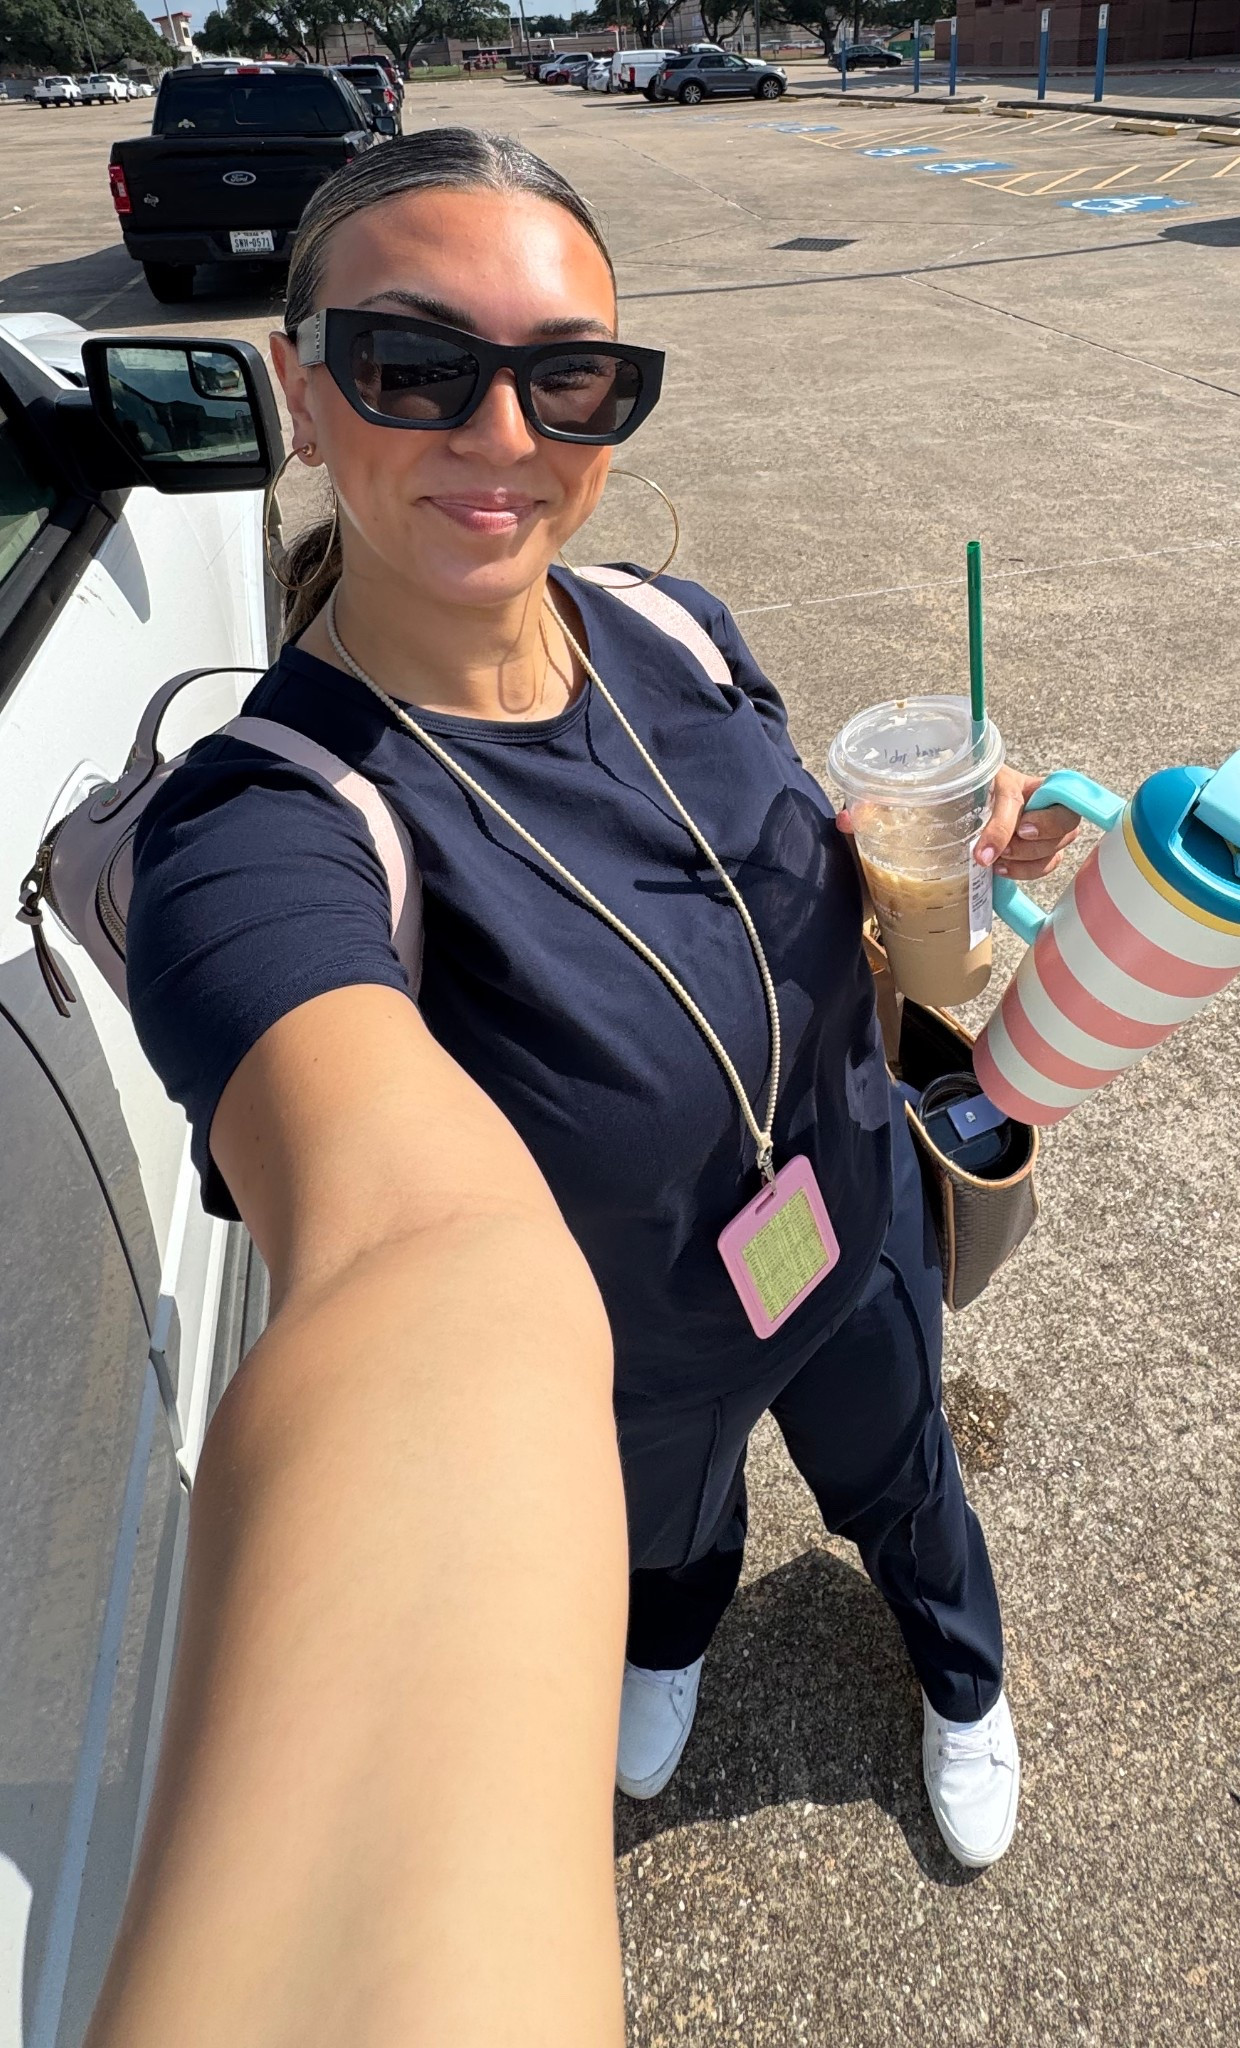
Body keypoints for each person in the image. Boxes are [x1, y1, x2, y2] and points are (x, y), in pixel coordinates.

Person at [124, 126, 1079, 1901]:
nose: (504, 438)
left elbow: (862, 951)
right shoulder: (262, 833)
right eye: (416, 365)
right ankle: (668, 1642)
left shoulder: (679, 628)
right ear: (302, 394)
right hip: (629, 1354)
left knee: (910, 1490)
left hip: (845, 1225)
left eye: (572, 378)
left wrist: (945, 886)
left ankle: (960, 1676)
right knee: (669, 1536)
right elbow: (385, 1225)